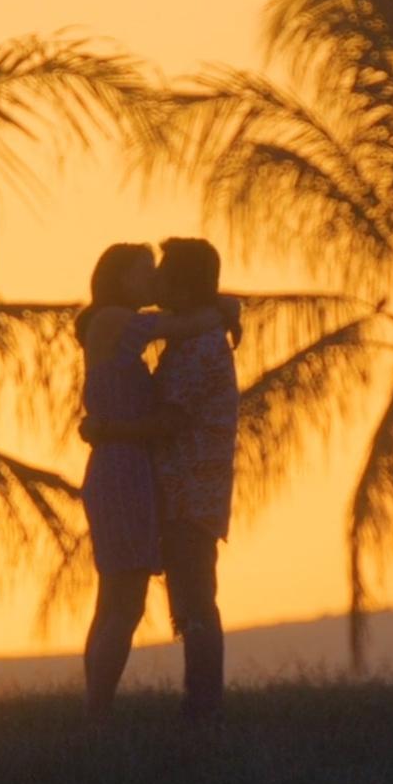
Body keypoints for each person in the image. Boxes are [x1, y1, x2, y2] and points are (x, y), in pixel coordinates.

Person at [75, 243, 237, 721]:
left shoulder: (178, 340)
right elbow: (183, 323)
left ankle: (113, 712)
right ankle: (100, 713)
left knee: (131, 602)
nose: (154, 283)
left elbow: (169, 419)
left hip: (157, 481)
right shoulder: (119, 322)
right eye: (147, 273)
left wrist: (106, 430)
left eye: (161, 274)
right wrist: (224, 309)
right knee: (125, 604)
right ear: (121, 279)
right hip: (131, 473)